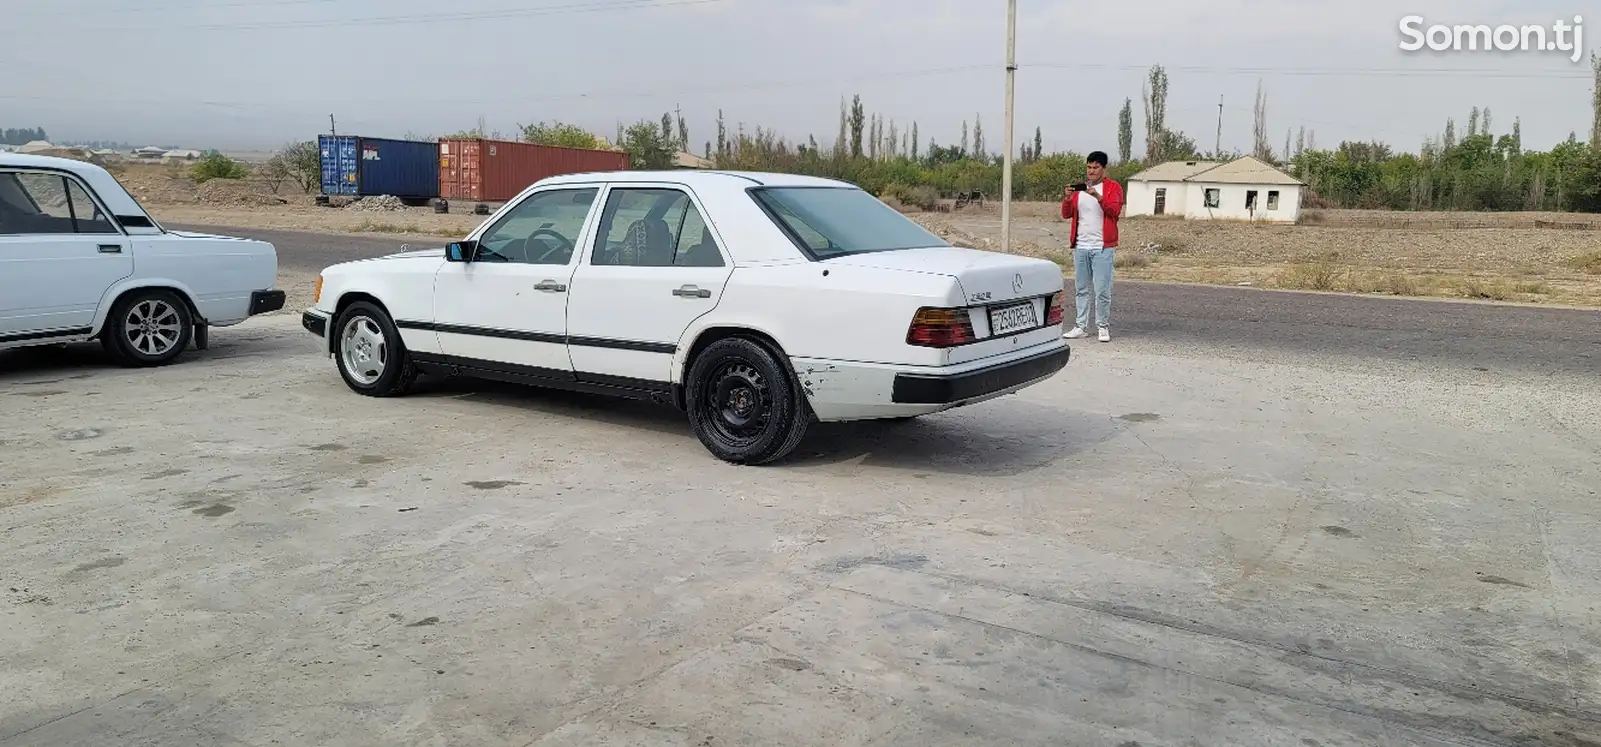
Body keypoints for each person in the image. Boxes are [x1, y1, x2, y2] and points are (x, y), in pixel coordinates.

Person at [1059, 151, 1123, 342]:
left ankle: (1102, 326)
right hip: (1081, 245)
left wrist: (1098, 196)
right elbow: (1066, 214)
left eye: (1095, 168)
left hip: (1102, 247)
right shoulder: (1080, 191)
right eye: (1089, 167)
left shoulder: (1113, 188)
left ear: (1104, 169)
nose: (1091, 171)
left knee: (1102, 289)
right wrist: (1067, 198)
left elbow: (1115, 211)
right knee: (1081, 288)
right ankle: (1081, 326)